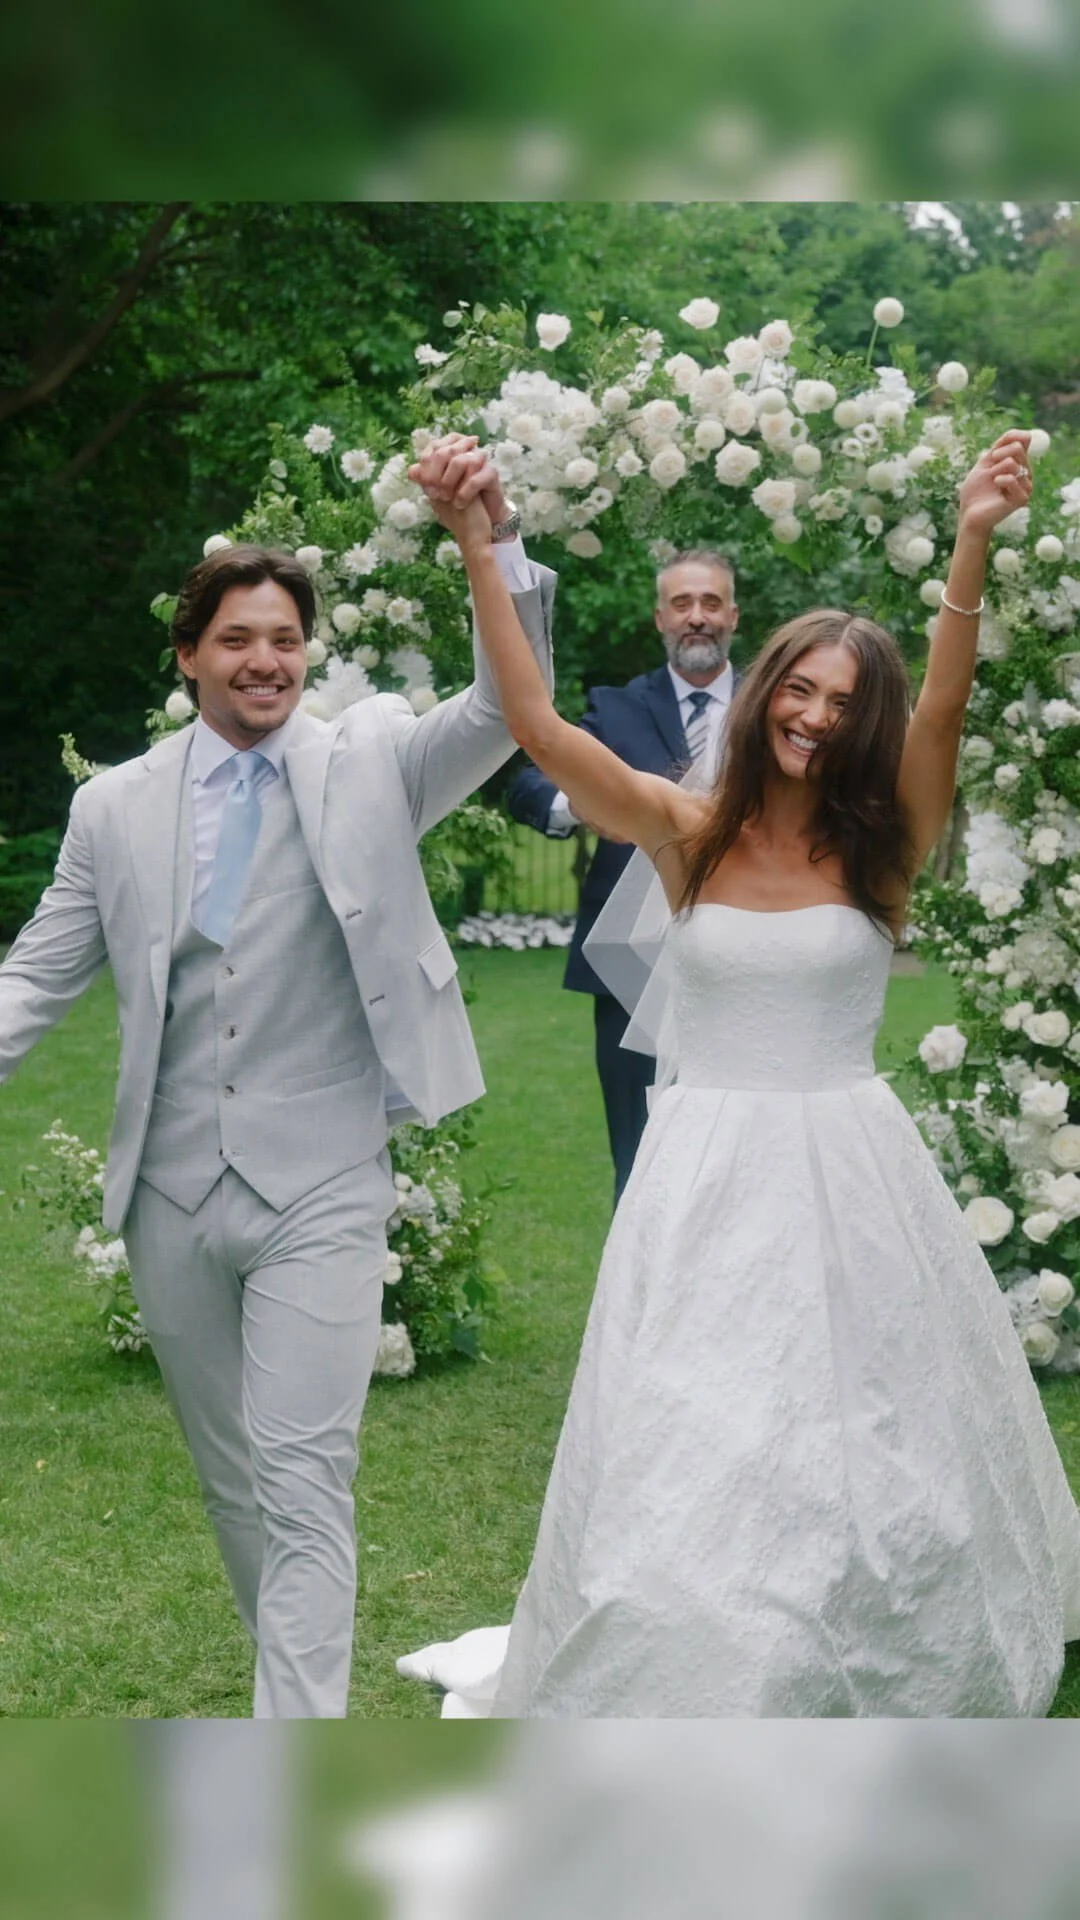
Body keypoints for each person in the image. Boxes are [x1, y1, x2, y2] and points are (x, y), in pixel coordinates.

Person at [402, 427, 1080, 1716]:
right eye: (800, 692)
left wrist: (973, 538)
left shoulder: (885, 848)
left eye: (842, 703)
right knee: (699, 1418)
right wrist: (480, 551)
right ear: (766, 690)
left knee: (869, 1428)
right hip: (705, 1171)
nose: (817, 717)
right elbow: (537, 726)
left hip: (851, 1172)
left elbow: (944, 706)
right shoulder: (686, 831)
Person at [0, 470, 554, 1717]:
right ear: (190, 655)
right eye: (238, 640)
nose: (266, 661)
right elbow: (33, 981)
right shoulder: (113, 808)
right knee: (238, 1485)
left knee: (307, 1478)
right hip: (171, 1194)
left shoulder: (375, 764)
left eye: (287, 640)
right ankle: (290, 1688)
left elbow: (509, 707)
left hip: (323, 1180)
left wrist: (492, 545)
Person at [506, 551, 740, 1201]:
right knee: (637, 1157)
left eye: (712, 603)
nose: (698, 617)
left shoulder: (774, 707)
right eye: (683, 604)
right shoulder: (614, 709)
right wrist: (577, 807)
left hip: (747, 957)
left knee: (741, 1151)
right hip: (631, 964)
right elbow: (527, 781)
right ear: (660, 617)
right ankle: (638, 1296)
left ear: (733, 616)